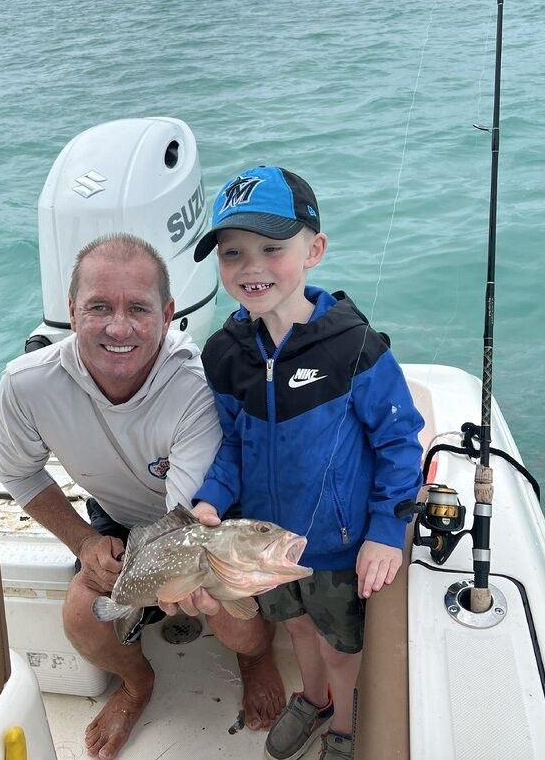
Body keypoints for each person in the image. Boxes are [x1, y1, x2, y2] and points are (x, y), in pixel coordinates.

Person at [0, 233, 286, 760]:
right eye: (99, 307)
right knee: (83, 616)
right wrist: (84, 543)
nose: (118, 327)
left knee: (228, 612)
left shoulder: (194, 385)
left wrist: (174, 577)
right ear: (71, 310)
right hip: (117, 519)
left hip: (202, 522)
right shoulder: (27, 385)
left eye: (138, 309)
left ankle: (255, 656)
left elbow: (186, 521)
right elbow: (19, 474)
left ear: (169, 313)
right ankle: (136, 681)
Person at [189, 167, 424, 760]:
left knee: (343, 646)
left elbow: (400, 445)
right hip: (267, 548)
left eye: (273, 247)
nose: (251, 266)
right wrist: (212, 498)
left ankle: (343, 722)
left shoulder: (354, 347)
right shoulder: (225, 354)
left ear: (314, 250)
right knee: (295, 626)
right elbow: (235, 445)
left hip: (339, 547)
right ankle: (313, 699)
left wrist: (384, 533)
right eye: (232, 252)